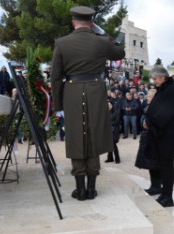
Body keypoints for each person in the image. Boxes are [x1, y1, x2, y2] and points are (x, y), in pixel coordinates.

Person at [51, 6, 125, 201]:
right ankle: (92, 189)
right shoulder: (101, 41)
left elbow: (56, 78)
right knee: (93, 135)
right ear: (92, 22)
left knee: (76, 136)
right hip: (96, 90)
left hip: (72, 92)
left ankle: (80, 189)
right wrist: (104, 34)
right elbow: (120, 52)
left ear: (73, 22)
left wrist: (58, 106)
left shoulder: (61, 43)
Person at [144, 65, 174, 207]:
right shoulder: (164, 89)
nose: (154, 81)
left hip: (168, 136)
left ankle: (168, 197)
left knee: (167, 166)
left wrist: (150, 122)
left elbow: (165, 113)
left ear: (163, 77)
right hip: (162, 135)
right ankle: (164, 194)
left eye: (155, 78)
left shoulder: (170, 91)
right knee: (164, 166)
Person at [135, 89, 161, 195]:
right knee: (150, 165)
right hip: (147, 138)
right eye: (148, 97)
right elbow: (142, 121)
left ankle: (157, 186)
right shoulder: (148, 107)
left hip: (154, 140)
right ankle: (153, 186)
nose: (148, 99)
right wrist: (144, 123)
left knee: (155, 165)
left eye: (150, 97)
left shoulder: (158, 109)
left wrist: (149, 125)